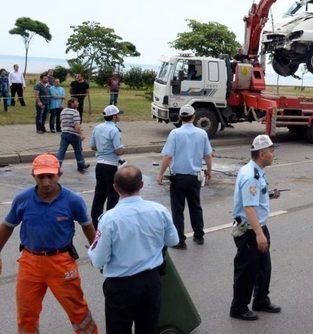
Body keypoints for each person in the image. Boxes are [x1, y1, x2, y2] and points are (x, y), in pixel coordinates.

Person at [0, 154, 98, 334]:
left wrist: (98, 253)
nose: (46, 182)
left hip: (62, 263)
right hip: (30, 263)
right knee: (26, 314)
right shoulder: (23, 199)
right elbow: (7, 226)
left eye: (50, 176)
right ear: (33, 176)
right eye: (41, 176)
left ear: (59, 174)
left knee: (78, 312)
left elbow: (87, 227)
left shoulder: (73, 200)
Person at [88, 166, 179, 333]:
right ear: (142, 185)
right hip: (152, 281)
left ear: (115, 188)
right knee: (148, 327)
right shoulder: (159, 210)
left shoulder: (109, 219)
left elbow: (98, 260)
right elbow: (173, 240)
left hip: (121, 285)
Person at [230, 135, 282, 321]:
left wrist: (269, 194)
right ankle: (238, 307)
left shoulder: (256, 170)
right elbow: (249, 207)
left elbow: (255, 197)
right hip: (251, 230)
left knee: (263, 267)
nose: (273, 153)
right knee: (247, 270)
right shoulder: (251, 175)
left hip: (258, 227)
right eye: (270, 150)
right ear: (262, 153)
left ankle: (260, 299)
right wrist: (259, 235)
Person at [157, 105, 212, 249]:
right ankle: (199, 236)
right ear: (194, 117)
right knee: (195, 207)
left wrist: (160, 174)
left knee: (177, 210)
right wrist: (209, 171)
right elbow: (208, 155)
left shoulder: (175, 134)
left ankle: (180, 241)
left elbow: (168, 156)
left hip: (178, 178)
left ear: (180, 118)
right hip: (194, 177)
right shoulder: (202, 133)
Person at [90, 104, 125, 227]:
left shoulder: (97, 127)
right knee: (112, 195)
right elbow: (118, 150)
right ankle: (109, 223)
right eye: (118, 114)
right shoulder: (114, 130)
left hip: (99, 165)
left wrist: (102, 149)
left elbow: (93, 146)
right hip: (111, 165)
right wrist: (123, 149)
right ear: (114, 116)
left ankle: (95, 223)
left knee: (99, 194)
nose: (120, 116)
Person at [57, 98, 90, 173]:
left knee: (62, 150)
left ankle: (57, 166)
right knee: (78, 150)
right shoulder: (75, 112)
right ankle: (81, 165)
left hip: (64, 133)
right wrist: (81, 134)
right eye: (76, 102)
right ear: (71, 103)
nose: (78, 103)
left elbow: (61, 121)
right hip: (73, 134)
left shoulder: (63, 111)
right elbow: (76, 125)